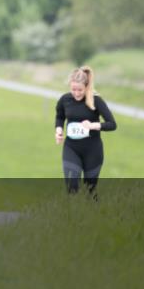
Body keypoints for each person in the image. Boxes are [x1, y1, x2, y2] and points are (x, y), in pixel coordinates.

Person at [54, 66, 117, 196]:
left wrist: (93, 125)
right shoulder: (65, 100)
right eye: (73, 89)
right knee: (72, 186)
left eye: (80, 90)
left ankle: (92, 214)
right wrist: (59, 131)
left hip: (92, 151)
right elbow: (60, 116)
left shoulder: (96, 101)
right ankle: (72, 215)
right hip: (71, 148)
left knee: (90, 191)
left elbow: (112, 124)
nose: (77, 93)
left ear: (87, 86)